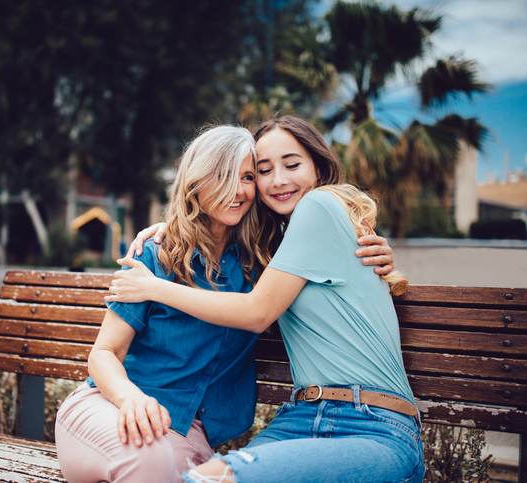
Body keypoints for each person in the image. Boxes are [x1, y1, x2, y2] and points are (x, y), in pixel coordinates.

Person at [54, 124, 396, 483]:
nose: (238, 190)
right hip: (111, 409)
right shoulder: (158, 252)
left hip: (187, 433)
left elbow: (320, 267)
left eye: (248, 177)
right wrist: (130, 399)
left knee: (190, 474)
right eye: (222, 176)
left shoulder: (263, 264)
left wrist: (381, 254)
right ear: (196, 182)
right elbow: (103, 353)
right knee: (151, 463)